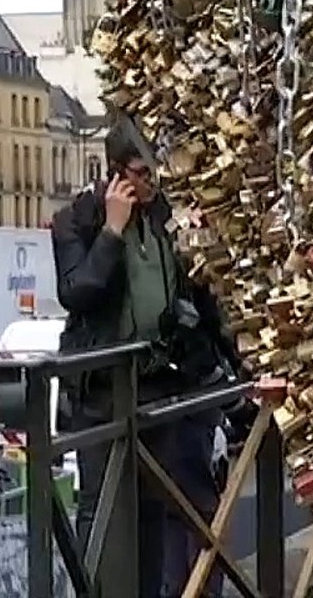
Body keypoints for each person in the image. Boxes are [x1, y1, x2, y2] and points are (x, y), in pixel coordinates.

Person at [51, 119, 236, 598]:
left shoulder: (164, 217)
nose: (150, 183)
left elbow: (202, 294)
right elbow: (78, 292)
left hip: (163, 382)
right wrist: (112, 231)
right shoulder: (78, 220)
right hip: (103, 392)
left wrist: (232, 362)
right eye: (140, 174)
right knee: (104, 509)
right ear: (116, 172)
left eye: (155, 174)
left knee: (172, 505)